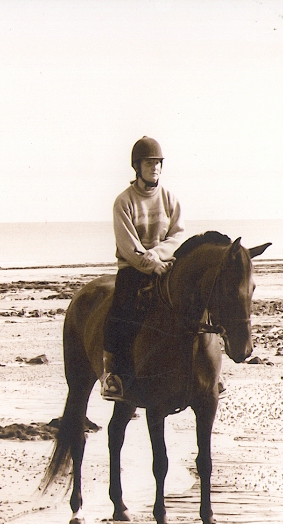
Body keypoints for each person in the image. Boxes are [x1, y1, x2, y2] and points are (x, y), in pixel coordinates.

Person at [101, 137, 186, 400]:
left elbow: (177, 236)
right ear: (137, 166)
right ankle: (113, 375)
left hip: (166, 266)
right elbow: (128, 245)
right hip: (134, 269)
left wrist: (158, 257)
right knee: (121, 311)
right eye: (149, 163)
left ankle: (207, 374)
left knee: (196, 306)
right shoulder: (123, 202)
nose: (155, 168)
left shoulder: (170, 199)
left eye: (158, 163)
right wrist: (150, 264)